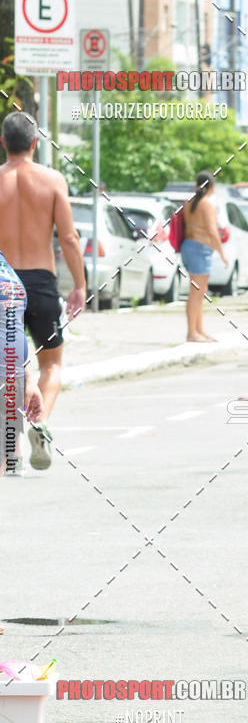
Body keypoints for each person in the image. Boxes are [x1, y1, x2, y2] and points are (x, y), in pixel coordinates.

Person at [0, 111, 85, 470]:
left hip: (3, 281)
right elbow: (68, 237)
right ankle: (40, 422)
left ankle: (11, 447)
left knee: (8, 367)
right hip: (40, 281)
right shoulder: (53, 181)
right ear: (36, 142)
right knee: (51, 364)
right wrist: (79, 285)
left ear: (4, 142)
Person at [0, 249, 43, 476]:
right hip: (12, 379)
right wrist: (29, 380)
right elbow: (16, 330)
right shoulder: (9, 273)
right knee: (9, 462)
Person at [180, 171, 228, 343]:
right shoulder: (206, 204)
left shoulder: (190, 202)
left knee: (199, 292)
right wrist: (222, 254)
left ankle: (198, 330)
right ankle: (192, 332)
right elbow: (212, 231)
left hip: (189, 247)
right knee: (196, 293)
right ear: (212, 187)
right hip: (200, 249)